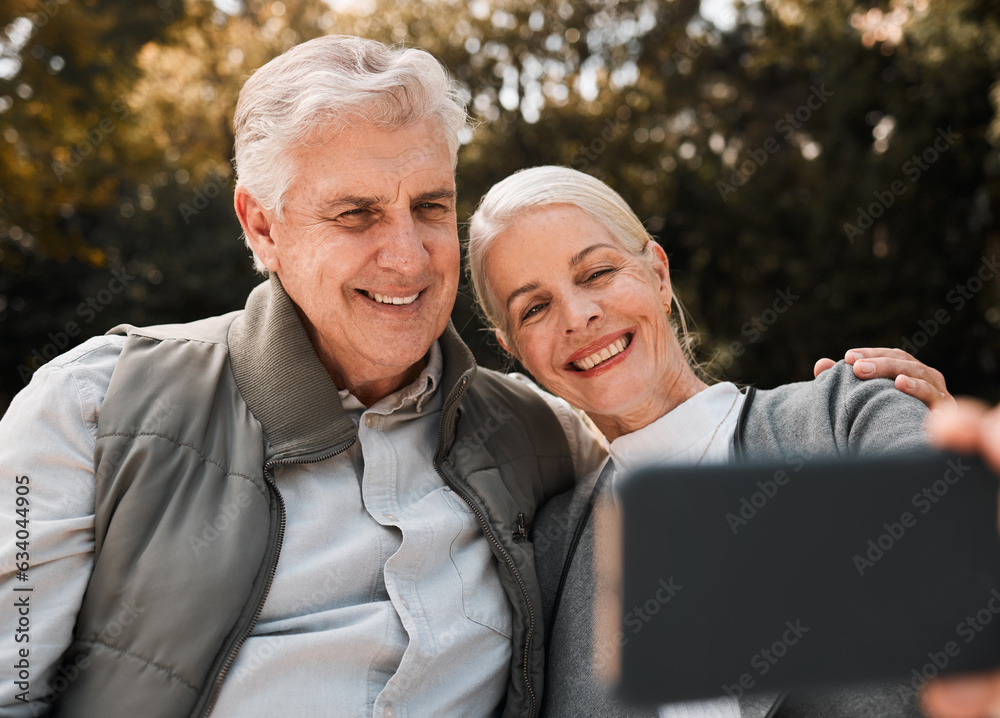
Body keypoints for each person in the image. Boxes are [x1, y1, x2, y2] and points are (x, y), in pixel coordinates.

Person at [0, 36, 951, 718]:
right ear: (260, 227)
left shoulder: (541, 443)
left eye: (429, 205)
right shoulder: (92, 409)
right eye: (357, 215)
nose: (407, 256)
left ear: (658, 270)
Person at [466, 164, 989, 718]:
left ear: (659, 275)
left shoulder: (851, 415)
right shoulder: (552, 555)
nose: (578, 315)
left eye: (596, 272)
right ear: (514, 349)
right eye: (535, 308)